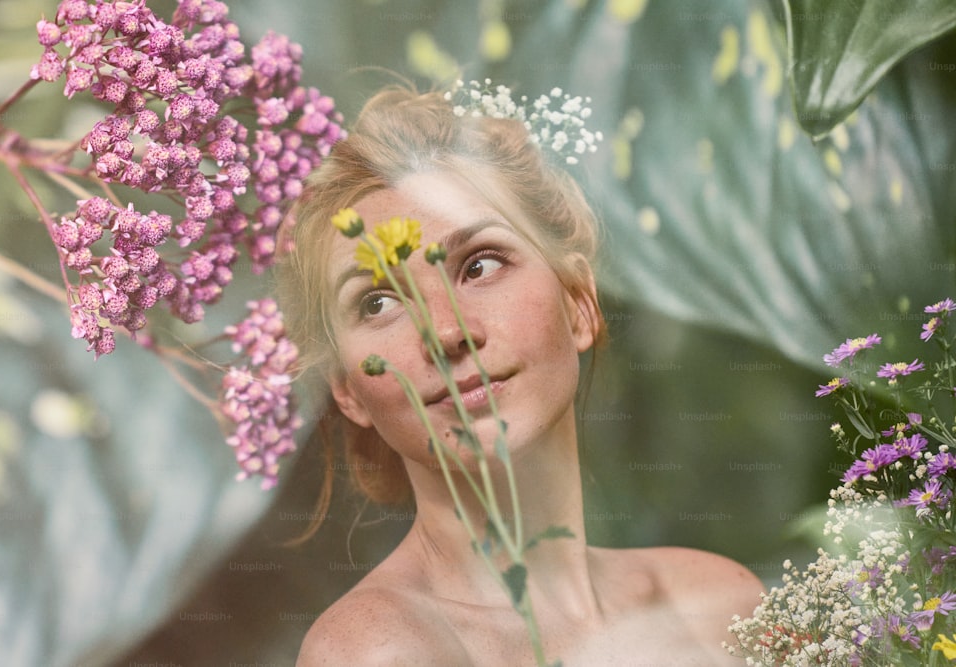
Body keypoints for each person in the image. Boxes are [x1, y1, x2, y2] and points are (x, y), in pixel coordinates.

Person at [278, 83, 764, 666]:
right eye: (377, 303)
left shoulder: (724, 606)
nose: (447, 332)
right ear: (349, 391)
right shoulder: (372, 653)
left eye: (480, 264)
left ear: (580, 303)